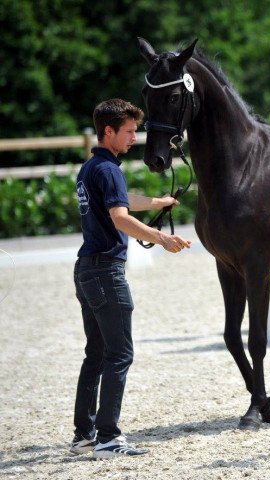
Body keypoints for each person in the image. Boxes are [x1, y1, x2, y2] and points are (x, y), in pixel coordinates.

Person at [70, 98, 191, 458]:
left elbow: (120, 202)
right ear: (108, 132)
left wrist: (156, 202)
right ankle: (108, 436)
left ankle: (85, 434)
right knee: (119, 355)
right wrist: (163, 238)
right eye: (128, 131)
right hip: (106, 272)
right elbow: (120, 218)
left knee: (97, 354)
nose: (135, 138)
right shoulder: (108, 170)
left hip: (87, 270)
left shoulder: (92, 167)